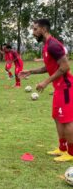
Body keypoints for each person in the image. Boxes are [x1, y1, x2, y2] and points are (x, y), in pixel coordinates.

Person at [19, 19, 73, 162]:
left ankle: (71, 153)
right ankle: (62, 148)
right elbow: (48, 67)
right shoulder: (46, 45)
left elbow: (65, 67)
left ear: (43, 29)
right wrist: (31, 71)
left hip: (66, 87)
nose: (33, 32)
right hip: (58, 88)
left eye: (35, 29)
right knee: (57, 118)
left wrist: (46, 82)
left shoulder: (54, 45)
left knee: (67, 120)